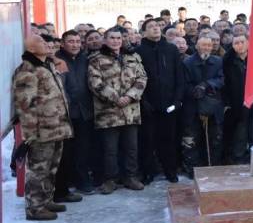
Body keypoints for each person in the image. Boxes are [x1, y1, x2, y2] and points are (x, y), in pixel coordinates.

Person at [13, 35, 74, 220]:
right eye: (40, 42)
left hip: (57, 127)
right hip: (41, 131)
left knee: (51, 168)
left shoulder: (47, 65)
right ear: (31, 49)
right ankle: (34, 208)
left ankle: (46, 200)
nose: (46, 44)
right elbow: (25, 105)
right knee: (38, 170)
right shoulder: (27, 69)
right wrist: (30, 134)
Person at [88, 28, 147, 194]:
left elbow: (142, 78)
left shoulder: (132, 57)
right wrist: (116, 98)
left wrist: (129, 96)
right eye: (112, 38)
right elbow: (95, 83)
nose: (116, 41)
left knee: (131, 147)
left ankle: (130, 177)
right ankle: (110, 180)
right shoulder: (96, 59)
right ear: (105, 40)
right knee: (110, 150)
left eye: (118, 38)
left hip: (130, 110)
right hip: (108, 112)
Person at [135, 18, 185, 184]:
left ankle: (170, 170)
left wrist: (177, 100)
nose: (155, 29)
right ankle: (147, 173)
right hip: (148, 104)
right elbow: (135, 78)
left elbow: (179, 76)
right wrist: (144, 101)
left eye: (157, 26)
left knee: (169, 140)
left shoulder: (171, 49)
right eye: (151, 27)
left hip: (169, 104)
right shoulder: (139, 51)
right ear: (144, 32)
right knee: (147, 141)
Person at [56, 31, 95, 195]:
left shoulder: (85, 59)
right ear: (63, 44)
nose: (75, 44)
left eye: (78, 41)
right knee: (66, 151)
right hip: (65, 113)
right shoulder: (57, 60)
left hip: (84, 112)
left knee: (83, 149)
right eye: (71, 41)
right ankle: (65, 183)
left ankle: (82, 181)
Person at [182, 36, 225, 176]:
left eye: (209, 45)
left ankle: (213, 166)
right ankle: (192, 169)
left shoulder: (218, 61)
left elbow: (221, 79)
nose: (206, 48)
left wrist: (207, 85)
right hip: (192, 106)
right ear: (197, 46)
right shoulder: (187, 62)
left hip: (213, 105)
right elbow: (184, 83)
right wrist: (195, 90)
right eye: (203, 45)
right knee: (191, 139)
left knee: (215, 138)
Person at [222, 34, 253, 164]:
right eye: (236, 43)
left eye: (242, 42)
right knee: (240, 129)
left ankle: (252, 154)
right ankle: (238, 155)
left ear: (248, 43)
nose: (239, 45)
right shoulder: (228, 60)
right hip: (235, 101)